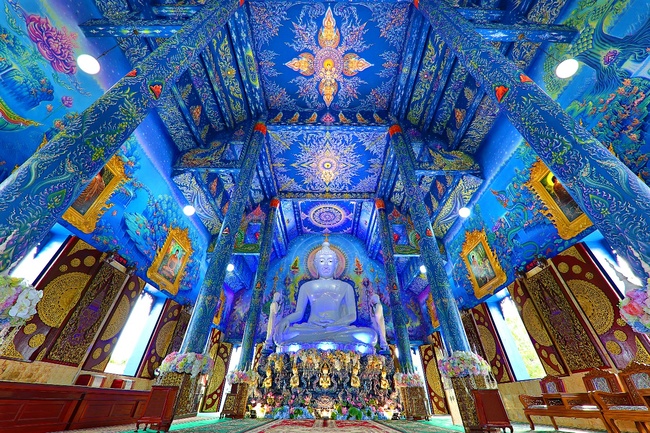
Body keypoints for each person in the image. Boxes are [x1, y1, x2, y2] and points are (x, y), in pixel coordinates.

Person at [273, 241, 378, 351]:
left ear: (336, 264)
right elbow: (299, 313)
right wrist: (285, 320)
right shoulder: (306, 286)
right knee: (284, 334)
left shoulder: (346, 287)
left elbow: (352, 316)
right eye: (322, 261)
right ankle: (329, 338)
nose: (326, 265)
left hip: (338, 329)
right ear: (315, 264)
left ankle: (322, 338)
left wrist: (334, 325)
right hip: (312, 329)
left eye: (330, 261)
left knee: (370, 336)